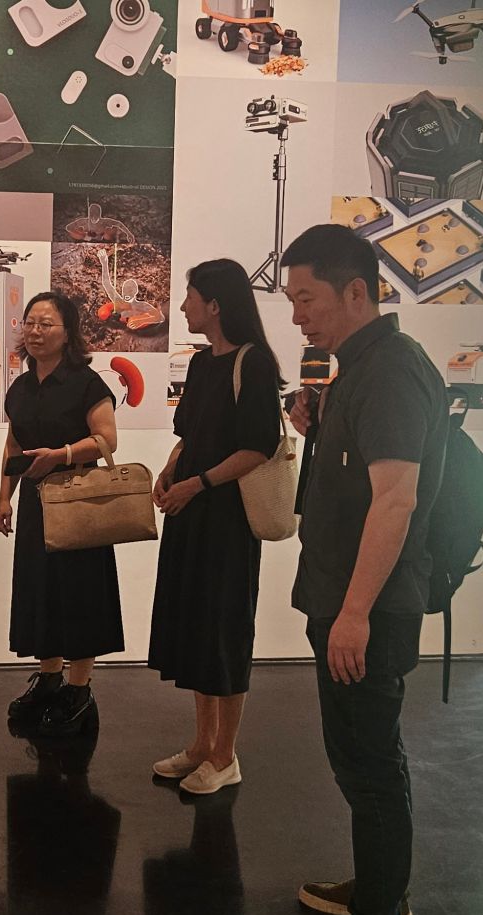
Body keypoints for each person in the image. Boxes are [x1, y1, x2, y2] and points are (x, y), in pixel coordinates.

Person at [281, 224, 446, 915]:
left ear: (356, 291)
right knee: (358, 756)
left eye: (306, 298)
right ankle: (379, 887)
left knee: (370, 761)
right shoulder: (358, 367)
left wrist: (354, 613)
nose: (297, 316)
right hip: (343, 597)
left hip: (367, 608)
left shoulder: (390, 371)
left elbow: (397, 500)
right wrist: (320, 423)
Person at [146, 258, 284, 795]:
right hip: (192, 512)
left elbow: (258, 447)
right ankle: (202, 745)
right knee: (197, 630)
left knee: (225, 631)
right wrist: (170, 471)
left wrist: (198, 484)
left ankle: (226, 756)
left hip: (227, 519)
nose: (183, 306)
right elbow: (189, 433)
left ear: (216, 304)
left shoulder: (255, 363)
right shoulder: (203, 363)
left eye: (190, 297)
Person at [0, 292, 125, 737]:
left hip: (79, 502)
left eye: (46, 324)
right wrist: (4, 498)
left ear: (68, 332)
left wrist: (62, 455)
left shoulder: (87, 383)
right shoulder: (21, 387)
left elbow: (107, 439)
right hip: (36, 505)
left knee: (80, 594)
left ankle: (79, 688)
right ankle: (49, 679)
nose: (35, 332)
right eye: (30, 323)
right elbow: (14, 446)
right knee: (41, 592)